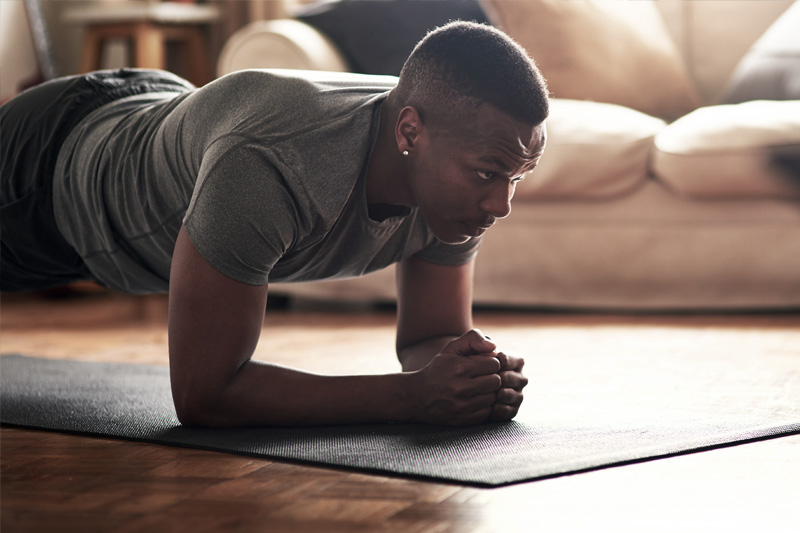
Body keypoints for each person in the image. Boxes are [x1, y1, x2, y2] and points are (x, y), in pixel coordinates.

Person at [1, 21, 548, 427]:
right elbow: (205, 396)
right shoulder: (274, 161)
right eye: (488, 173)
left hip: (150, 113)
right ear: (409, 133)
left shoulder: (452, 171)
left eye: (517, 177)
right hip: (45, 174)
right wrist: (410, 397)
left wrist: (469, 375)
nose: (501, 204)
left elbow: (432, 336)